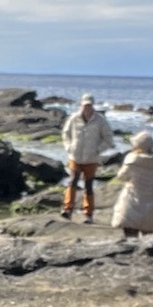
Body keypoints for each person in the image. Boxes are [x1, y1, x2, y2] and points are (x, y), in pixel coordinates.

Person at [58, 92, 113, 223]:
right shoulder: (73, 118)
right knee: (72, 181)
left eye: (89, 105)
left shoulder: (100, 120)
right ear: (81, 105)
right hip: (75, 157)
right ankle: (67, 209)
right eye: (85, 105)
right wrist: (69, 147)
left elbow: (108, 139)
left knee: (88, 185)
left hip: (91, 159)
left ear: (93, 105)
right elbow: (65, 134)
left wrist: (98, 150)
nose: (87, 108)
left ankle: (88, 214)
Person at [108, 129, 153, 237]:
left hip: (132, 204)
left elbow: (121, 176)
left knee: (130, 239)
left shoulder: (132, 160)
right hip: (151, 207)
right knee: (148, 241)